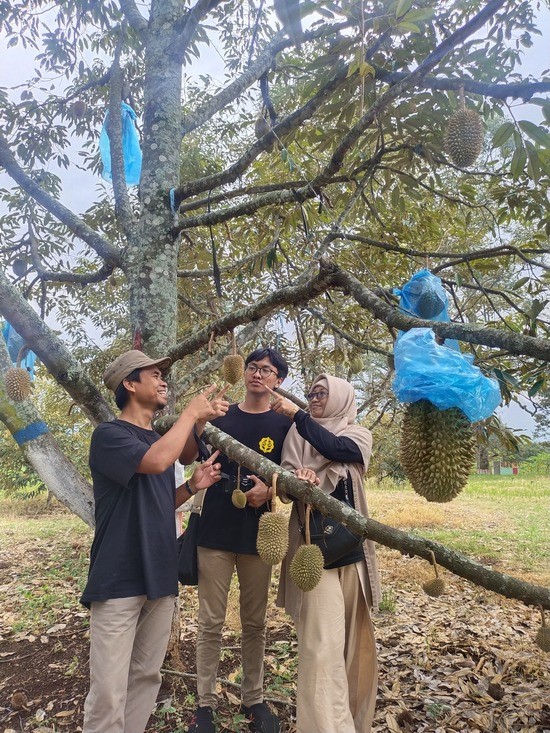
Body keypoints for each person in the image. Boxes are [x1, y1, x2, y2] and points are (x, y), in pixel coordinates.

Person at [80, 349, 229, 733]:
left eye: (164, 374)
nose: (164, 380)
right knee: (109, 689)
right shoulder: (109, 435)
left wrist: (192, 486)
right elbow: (158, 461)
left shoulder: (156, 439)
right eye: (154, 374)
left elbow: (158, 498)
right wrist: (190, 415)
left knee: (146, 676)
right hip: (118, 576)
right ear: (130, 384)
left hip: (159, 572)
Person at [181, 347, 292, 733]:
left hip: (260, 533)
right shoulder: (222, 416)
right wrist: (197, 422)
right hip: (214, 528)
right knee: (210, 621)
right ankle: (205, 704)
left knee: (255, 622)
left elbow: (292, 480)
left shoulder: (283, 426)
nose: (257, 374)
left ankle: (254, 700)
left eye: (266, 370)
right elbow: (189, 457)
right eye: (252, 368)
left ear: (279, 380)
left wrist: (272, 491)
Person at [270, 374, 381, 733]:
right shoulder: (295, 435)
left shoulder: (357, 433)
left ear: (341, 397)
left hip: (353, 549)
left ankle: (354, 720)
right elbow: (284, 483)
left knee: (355, 646)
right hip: (311, 549)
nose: (315, 398)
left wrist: (298, 416)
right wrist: (297, 478)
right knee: (320, 647)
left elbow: (339, 450)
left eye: (322, 393)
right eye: (311, 393)